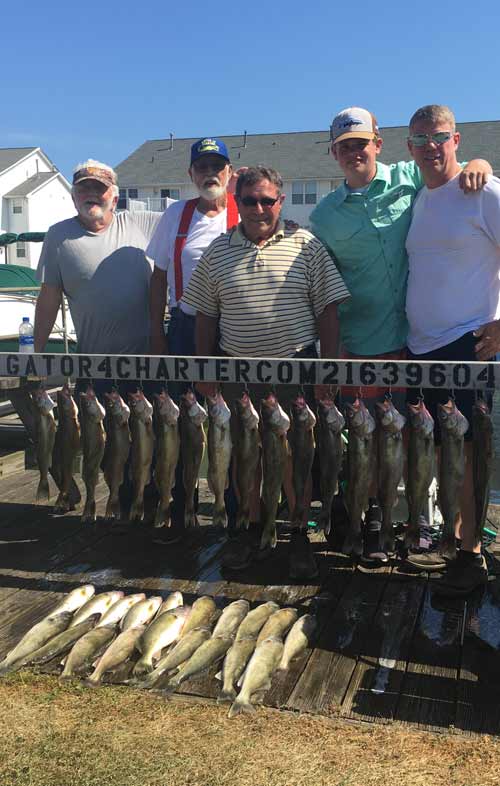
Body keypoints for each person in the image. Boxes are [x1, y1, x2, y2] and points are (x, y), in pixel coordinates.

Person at [310, 107, 492, 562]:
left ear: (379, 144)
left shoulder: (418, 179)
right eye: (344, 146)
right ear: (334, 153)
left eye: (361, 143)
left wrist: (481, 165)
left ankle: (458, 548)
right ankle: (384, 524)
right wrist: (331, 352)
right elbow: (321, 281)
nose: (354, 152)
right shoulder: (325, 214)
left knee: (455, 452)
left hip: (435, 342)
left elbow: (453, 167)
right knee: (387, 443)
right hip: (373, 343)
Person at [181, 165, 349, 578]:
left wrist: (329, 369)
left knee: (296, 461)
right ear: (237, 203)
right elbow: (204, 314)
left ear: (281, 201)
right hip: (238, 372)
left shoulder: (306, 244)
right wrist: (204, 368)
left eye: (267, 200)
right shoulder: (218, 251)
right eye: (250, 200)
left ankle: (297, 537)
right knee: (245, 459)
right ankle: (251, 531)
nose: (259, 208)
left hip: (295, 369)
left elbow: (328, 309)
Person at [405, 103, 500, 594]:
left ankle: (472, 556)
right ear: (409, 148)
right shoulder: (420, 195)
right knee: (442, 453)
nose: (430, 148)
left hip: (468, 343)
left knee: (469, 452)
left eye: (438, 137)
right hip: (421, 347)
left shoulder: (482, 191)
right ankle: (449, 537)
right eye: (419, 140)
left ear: (456, 139)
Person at [35, 159, 163, 518]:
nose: (92, 195)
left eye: (100, 188)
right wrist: (38, 354)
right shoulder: (58, 235)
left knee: (149, 443)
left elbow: (197, 220)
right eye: (84, 188)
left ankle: (148, 502)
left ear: (115, 196)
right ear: (74, 195)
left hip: (145, 362)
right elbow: (48, 299)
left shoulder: (143, 222)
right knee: (103, 446)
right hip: (94, 365)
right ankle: (116, 502)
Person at [146, 138, 239, 543]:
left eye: (217, 166)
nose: (210, 174)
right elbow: (157, 277)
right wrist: (157, 334)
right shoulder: (175, 216)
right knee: (181, 424)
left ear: (230, 172)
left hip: (234, 333)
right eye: (201, 167)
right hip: (184, 326)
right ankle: (180, 510)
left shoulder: (248, 209)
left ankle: (236, 512)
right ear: (190, 174)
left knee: (237, 424)